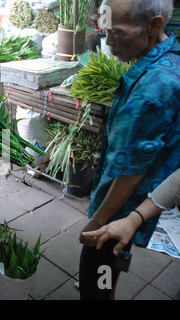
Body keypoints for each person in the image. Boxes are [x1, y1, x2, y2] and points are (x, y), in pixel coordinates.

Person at [78, 0, 180, 300]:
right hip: (130, 206)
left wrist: (96, 223)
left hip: (118, 211)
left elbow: (131, 173)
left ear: (153, 25)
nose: (108, 42)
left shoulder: (155, 87)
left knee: (97, 270)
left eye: (116, 32)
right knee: (107, 267)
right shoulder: (166, 57)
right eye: (105, 31)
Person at [82, 168, 180, 255]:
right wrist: (134, 219)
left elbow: (132, 171)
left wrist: (98, 220)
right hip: (126, 214)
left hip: (118, 209)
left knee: (104, 253)